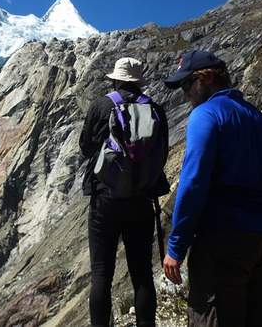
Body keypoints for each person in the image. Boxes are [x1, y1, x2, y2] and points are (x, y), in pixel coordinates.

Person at [161, 50, 262, 327]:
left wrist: (176, 246)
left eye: (186, 85)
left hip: (223, 240)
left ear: (204, 79)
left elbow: (193, 183)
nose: (185, 94)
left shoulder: (205, 115)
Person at [79, 57, 169, 327]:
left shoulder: (101, 105)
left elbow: (85, 146)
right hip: (141, 199)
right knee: (141, 273)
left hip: (105, 197)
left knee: (101, 274)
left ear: (116, 79)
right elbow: (161, 153)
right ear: (139, 82)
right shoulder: (154, 109)